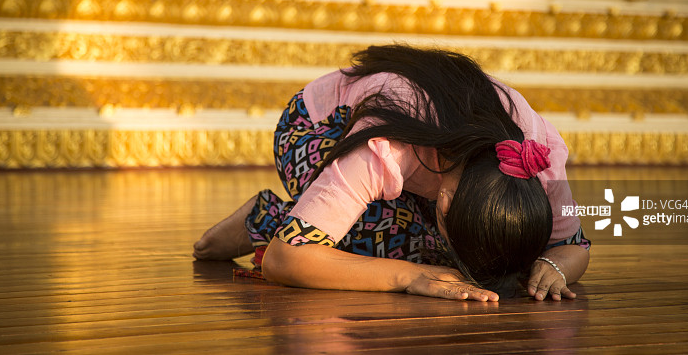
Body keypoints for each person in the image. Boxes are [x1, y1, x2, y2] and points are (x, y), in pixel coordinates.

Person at [193, 45, 590, 301]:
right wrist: (409, 276)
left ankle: (307, 217)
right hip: (318, 130)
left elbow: (575, 245)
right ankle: (267, 218)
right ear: (445, 201)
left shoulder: (535, 155)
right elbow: (284, 260)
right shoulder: (390, 146)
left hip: (428, 157)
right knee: (405, 248)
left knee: (459, 260)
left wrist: (551, 267)